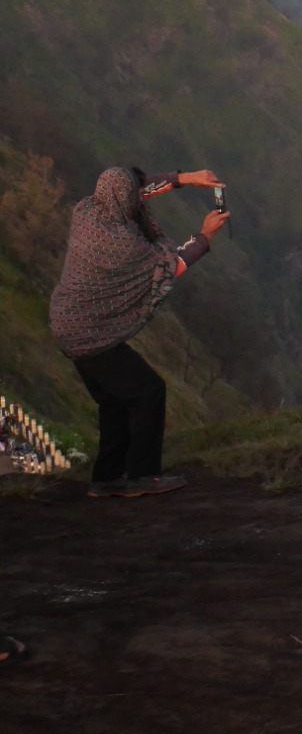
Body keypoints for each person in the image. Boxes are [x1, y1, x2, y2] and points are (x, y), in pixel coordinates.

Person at [49, 167, 229, 498]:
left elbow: (135, 194)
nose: (138, 197)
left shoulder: (86, 210)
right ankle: (144, 476)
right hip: (90, 334)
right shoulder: (123, 245)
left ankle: (106, 479)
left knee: (114, 400)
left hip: (65, 324)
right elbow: (168, 267)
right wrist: (205, 237)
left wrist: (184, 178)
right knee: (149, 391)